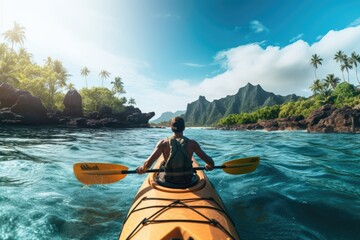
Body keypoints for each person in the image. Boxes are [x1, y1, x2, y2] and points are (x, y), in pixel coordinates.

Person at [136, 116, 214, 184]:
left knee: (160, 172)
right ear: (184, 128)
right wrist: (209, 166)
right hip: (188, 180)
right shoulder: (192, 144)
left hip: (169, 180)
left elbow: (147, 164)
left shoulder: (163, 143)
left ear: (171, 128)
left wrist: (142, 169)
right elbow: (210, 162)